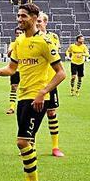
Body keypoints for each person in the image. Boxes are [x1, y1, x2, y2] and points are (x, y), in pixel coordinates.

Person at [0, 3, 66, 181]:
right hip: (23, 97)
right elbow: (12, 68)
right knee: (27, 142)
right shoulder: (19, 42)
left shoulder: (45, 42)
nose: (19, 19)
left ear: (34, 18)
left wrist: (43, 92)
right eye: (18, 16)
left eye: (23, 16)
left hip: (37, 99)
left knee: (22, 141)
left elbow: (61, 73)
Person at [37, 12, 64, 157]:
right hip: (35, 82)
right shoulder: (28, 38)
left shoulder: (52, 38)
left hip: (50, 81)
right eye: (36, 21)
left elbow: (53, 54)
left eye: (40, 21)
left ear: (46, 22)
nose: (38, 24)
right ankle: (29, 144)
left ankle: (55, 147)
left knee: (51, 113)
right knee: (32, 115)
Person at [5, 27, 21, 114]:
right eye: (17, 33)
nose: (18, 34)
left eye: (20, 32)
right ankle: (12, 107)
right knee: (14, 87)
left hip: (26, 69)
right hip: (15, 69)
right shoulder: (12, 44)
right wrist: (14, 48)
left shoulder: (27, 43)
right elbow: (8, 54)